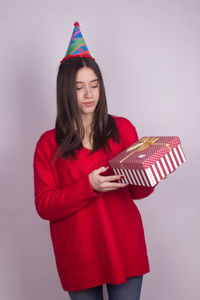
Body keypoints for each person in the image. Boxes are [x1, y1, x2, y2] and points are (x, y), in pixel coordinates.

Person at [33, 22, 156, 300]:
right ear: (66, 91)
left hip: (125, 246)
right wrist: (88, 185)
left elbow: (137, 192)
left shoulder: (123, 128)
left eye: (94, 85)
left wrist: (150, 172)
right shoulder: (47, 143)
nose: (89, 95)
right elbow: (44, 206)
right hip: (79, 254)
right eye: (79, 88)